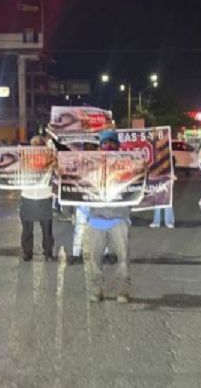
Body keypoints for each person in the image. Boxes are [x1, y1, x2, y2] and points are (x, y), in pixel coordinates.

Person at [84, 129, 133, 303]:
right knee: (94, 260)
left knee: (123, 259)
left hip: (119, 219)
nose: (108, 146)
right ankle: (96, 290)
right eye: (105, 143)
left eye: (112, 142)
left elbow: (140, 185)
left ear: (118, 146)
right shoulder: (90, 165)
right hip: (96, 219)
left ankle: (122, 291)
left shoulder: (129, 165)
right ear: (100, 146)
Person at [19, 135, 55, 261]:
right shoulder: (24, 159)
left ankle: (48, 252)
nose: (35, 147)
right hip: (27, 196)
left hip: (44, 197)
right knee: (27, 228)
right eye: (33, 145)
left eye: (38, 144)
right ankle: (27, 252)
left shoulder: (50, 158)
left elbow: (57, 169)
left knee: (47, 228)